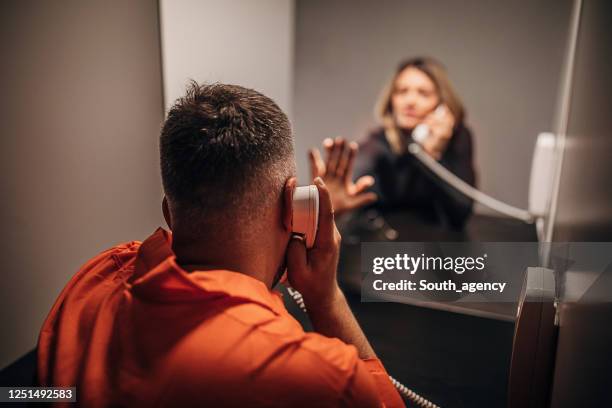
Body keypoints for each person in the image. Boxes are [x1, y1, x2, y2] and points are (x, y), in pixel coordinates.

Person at [36, 82, 404, 407]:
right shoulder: (315, 373)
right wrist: (326, 298)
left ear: (168, 209)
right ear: (294, 205)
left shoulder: (98, 274)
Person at [310, 57, 476, 230]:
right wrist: (332, 198)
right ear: (391, 99)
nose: (410, 101)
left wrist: (432, 155)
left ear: (441, 104)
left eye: (423, 93)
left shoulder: (459, 138)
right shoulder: (379, 142)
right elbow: (364, 161)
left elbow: (460, 214)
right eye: (402, 91)